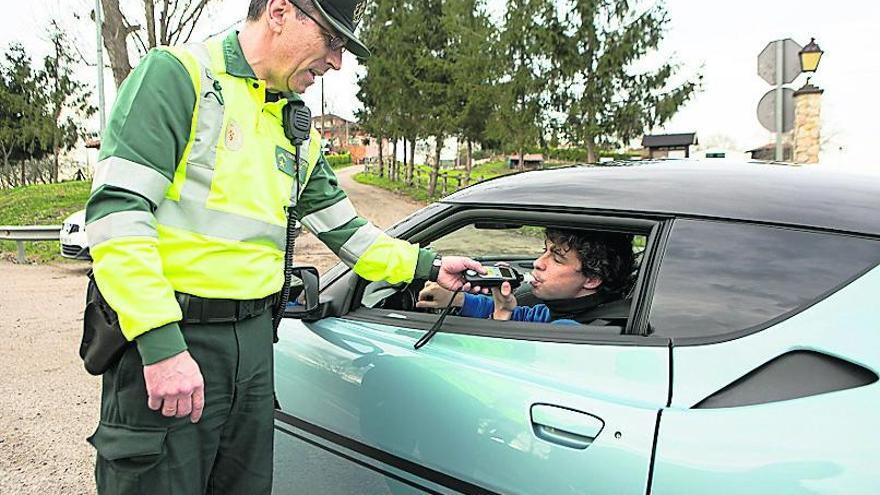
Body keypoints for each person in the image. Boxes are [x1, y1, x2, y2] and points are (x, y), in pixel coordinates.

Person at [83, 1, 482, 493]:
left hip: (253, 344)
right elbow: (118, 216)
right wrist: (161, 344)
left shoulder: (295, 128)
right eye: (332, 41)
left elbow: (347, 232)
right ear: (279, 12)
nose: (336, 62)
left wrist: (428, 265)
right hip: (177, 339)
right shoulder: (178, 77)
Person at [417, 228, 634, 323]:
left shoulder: (570, 333)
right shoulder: (561, 311)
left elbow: (495, 372)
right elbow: (523, 316)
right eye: (544, 251)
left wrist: (500, 315)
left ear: (592, 279)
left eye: (557, 259)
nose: (538, 263)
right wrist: (458, 299)